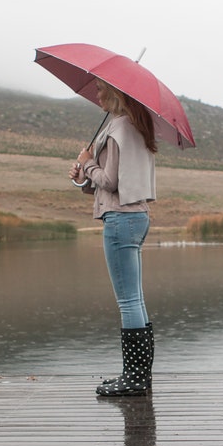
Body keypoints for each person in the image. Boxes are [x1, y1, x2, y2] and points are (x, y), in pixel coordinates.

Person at [68, 79, 158, 397]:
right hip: (136, 216)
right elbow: (111, 182)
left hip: (120, 219)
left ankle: (134, 378)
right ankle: (139, 376)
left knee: (128, 300)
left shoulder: (118, 129)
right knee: (136, 298)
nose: (98, 94)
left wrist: (88, 162)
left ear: (117, 94)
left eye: (103, 90)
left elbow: (109, 179)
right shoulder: (135, 126)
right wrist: (84, 178)